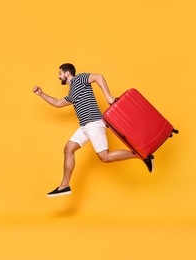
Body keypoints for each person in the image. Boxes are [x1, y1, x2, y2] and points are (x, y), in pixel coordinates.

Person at [33, 63, 154, 197]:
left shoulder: (79, 78)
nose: (58, 76)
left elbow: (98, 77)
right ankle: (64, 186)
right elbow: (58, 103)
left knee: (104, 157)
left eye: (60, 73)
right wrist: (41, 94)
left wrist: (108, 96)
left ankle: (142, 155)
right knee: (68, 149)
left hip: (94, 123)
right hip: (85, 126)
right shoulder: (72, 91)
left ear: (67, 73)